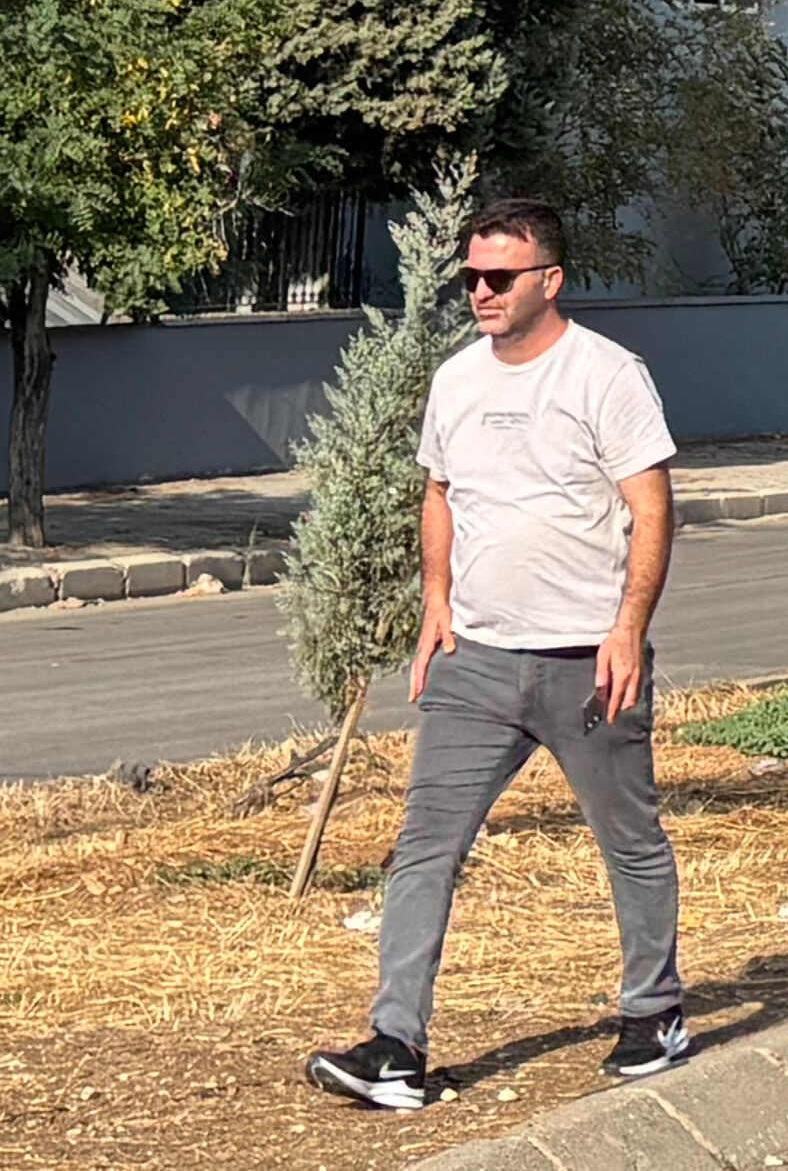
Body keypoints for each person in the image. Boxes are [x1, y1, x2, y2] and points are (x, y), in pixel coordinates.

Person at [305, 201, 689, 1111]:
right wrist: (436, 604)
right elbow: (440, 493)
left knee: (629, 842)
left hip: (585, 662)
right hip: (474, 661)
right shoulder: (456, 381)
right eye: (469, 277)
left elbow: (653, 507)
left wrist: (628, 628)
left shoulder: (606, 375)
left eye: (498, 278)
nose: (479, 292)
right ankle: (396, 1047)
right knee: (422, 850)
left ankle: (655, 1014)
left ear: (548, 281)